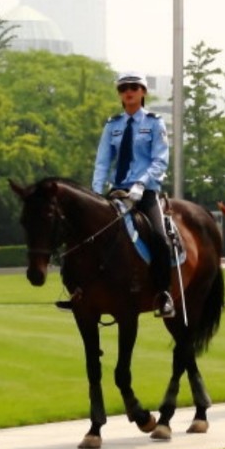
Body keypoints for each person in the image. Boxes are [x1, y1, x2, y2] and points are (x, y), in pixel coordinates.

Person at [89, 72, 175, 318]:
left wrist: (141, 183)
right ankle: (84, 290)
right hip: (116, 192)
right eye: (124, 88)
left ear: (143, 92)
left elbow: (160, 160)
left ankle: (164, 293)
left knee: (159, 238)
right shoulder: (112, 125)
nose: (129, 91)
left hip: (145, 193)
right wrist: (96, 193)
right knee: (91, 235)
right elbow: (102, 162)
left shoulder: (154, 122)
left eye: (134, 87)